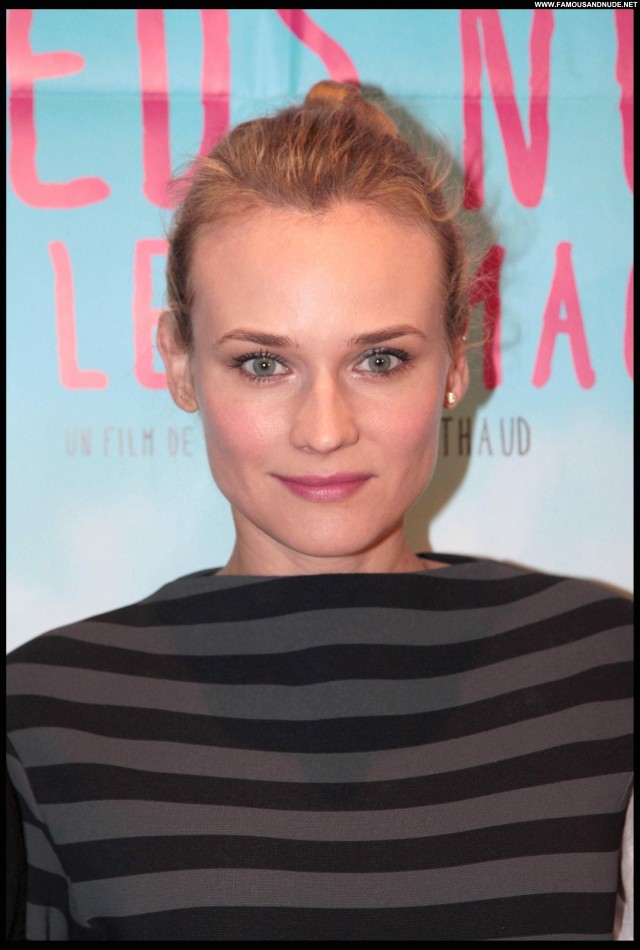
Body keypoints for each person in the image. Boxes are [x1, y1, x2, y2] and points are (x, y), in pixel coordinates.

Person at [6, 81, 632, 941]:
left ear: (456, 360)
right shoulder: (48, 715)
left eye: (380, 360)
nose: (326, 429)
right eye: (264, 365)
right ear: (180, 362)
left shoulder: (604, 671)